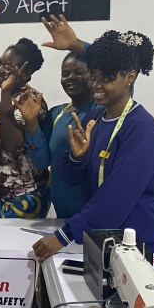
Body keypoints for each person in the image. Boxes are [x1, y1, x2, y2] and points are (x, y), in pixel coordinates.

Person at [32, 30, 154, 262]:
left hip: (139, 247)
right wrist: (75, 158)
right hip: (103, 240)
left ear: (130, 77)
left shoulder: (143, 130)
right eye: (93, 76)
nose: (96, 85)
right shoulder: (93, 119)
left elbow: (118, 196)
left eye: (107, 78)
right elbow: (69, 176)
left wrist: (64, 235)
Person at [22, 52, 99, 218]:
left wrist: (76, 43)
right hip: (62, 211)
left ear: (93, 75)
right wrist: (31, 122)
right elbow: (42, 161)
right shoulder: (56, 114)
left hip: (93, 211)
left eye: (78, 72)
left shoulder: (103, 111)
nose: (70, 78)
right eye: (65, 74)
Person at [0, 38, 49, 218]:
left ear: (25, 73)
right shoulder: (6, 99)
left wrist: (5, 92)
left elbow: (10, 145)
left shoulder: (29, 100)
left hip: (21, 199)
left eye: (8, 66)